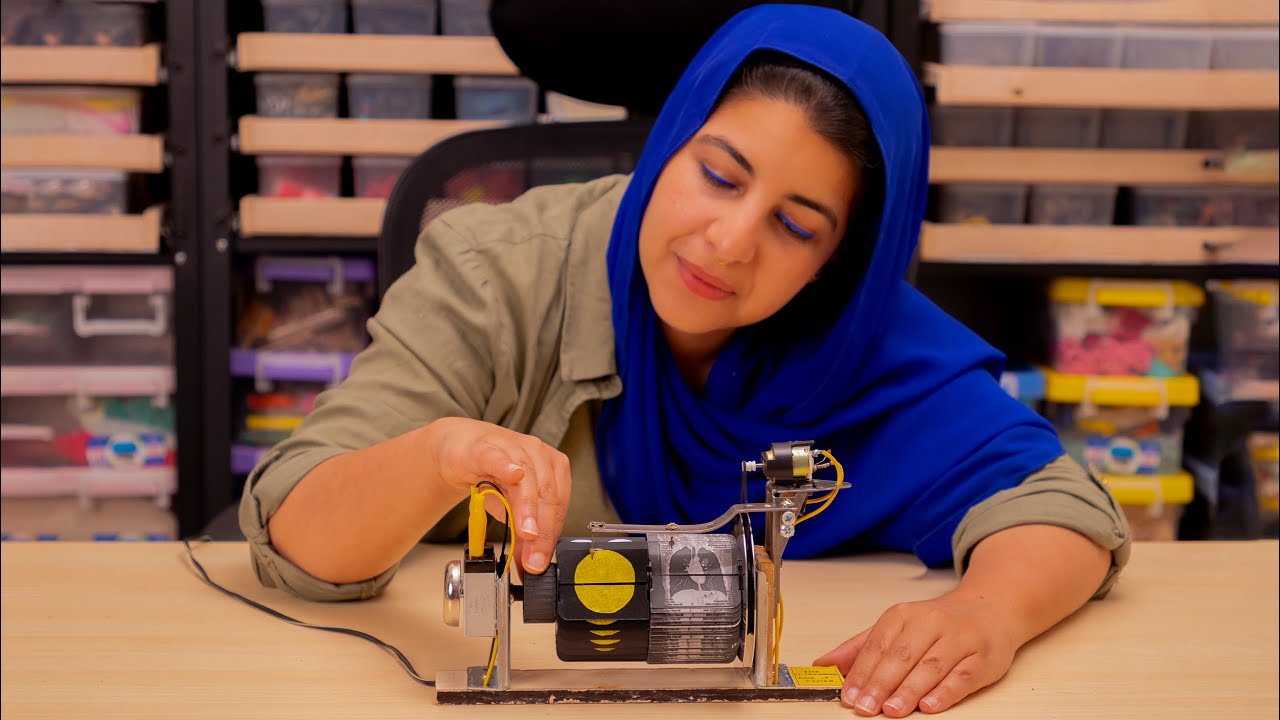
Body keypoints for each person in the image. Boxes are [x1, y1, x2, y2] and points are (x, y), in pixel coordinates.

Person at [239, 5, 1130, 716]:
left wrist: (983, 614)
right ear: (669, 143)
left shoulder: (869, 341)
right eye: (719, 175)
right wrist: (439, 455)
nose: (729, 242)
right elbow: (297, 533)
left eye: (796, 226)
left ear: (838, 263)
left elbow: (1062, 507)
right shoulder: (497, 274)